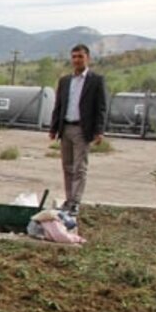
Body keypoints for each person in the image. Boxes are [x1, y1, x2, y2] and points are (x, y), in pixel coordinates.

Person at [48, 44, 107, 217]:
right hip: (65, 127)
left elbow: (101, 107)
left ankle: (75, 202)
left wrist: (99, 130)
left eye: (80, 56)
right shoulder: (65, 81)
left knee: (80, 167)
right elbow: (58, 106)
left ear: (87, 58)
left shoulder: (96, 80)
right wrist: (53, 128)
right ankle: (68, 199)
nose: (76, 60)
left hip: (83, 129)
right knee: (67, 166)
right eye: (74, 57)